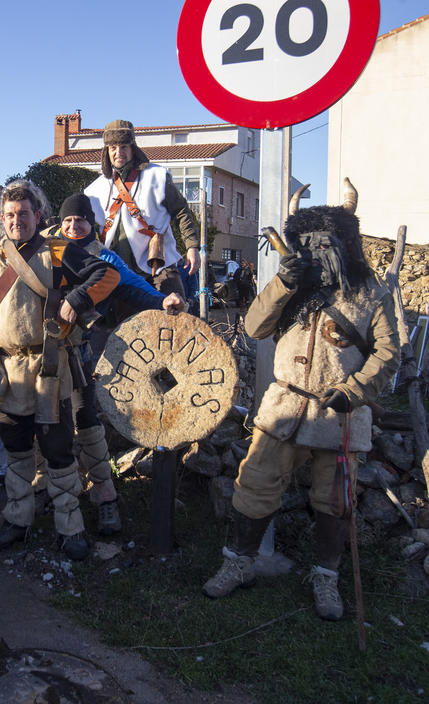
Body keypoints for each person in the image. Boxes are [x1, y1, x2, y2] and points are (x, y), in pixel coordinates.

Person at [201, 180, 400, 621]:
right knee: (254, 487)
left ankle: (326, 579)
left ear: (346, 242)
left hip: (338, 413)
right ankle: (240, 562)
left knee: (334, 502)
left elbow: (387, 354)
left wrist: (354, 391)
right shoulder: (291, 284)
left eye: (323, 241)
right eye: (305, 241)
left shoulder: (370, 295)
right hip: (285, 407)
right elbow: (254, 327)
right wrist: (282, 284)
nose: (315, 249)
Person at [0, 180, 120, 561]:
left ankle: (70, 526)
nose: (16, 220)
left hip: (49, 369)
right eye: (9, 215)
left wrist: (76, 297)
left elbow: (107, 276)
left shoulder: (59, 251)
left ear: (38, 216)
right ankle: (18, 519)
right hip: (4, 371)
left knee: (57, 451)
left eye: (24, 214)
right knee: (17, 451)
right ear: (1, 219)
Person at [45, 194, 186, 536]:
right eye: (67, 221)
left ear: (91, 223)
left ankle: (104, 494)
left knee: (85, 415)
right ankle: (43, 482)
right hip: (44, 349)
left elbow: (133, 287)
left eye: (79, 220)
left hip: (83, 346)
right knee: (45, 415)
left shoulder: (103, 257)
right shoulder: (46, 251)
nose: (73, 226)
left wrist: (160, 299)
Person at [83, 119, 201, 302]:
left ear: (133, 148)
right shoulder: (95, 189)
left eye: (123, 146)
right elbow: (80, 223)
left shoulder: (158, 176)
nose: (118, 152)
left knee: (176, 313)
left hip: (159, 264)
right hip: (117, 269)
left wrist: (192, 247)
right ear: (107, 151)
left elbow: (181, 212)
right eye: (113, 147)